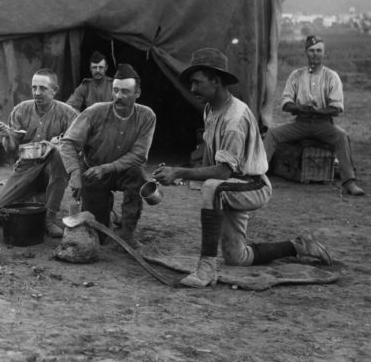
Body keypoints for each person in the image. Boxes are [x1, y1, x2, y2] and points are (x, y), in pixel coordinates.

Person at [154, 48, 333, 288]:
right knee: (236, 258)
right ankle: (299, 245)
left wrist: (179, 173)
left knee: (212, 188)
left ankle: (206, 269)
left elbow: (222, 172)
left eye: (197, 82)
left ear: (216, 81)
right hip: (232, 186)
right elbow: (216, 164)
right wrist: (179, 173)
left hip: (253, 185)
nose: (192, 88)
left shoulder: (235, 118)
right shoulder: (210, 109)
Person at [60, 63, 155, 248]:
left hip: (123, 172)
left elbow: (139, 155)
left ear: (137, 93)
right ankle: (106, 213)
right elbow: (68, 143)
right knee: (99, 238)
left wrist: (107, 168)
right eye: (116, 90)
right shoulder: (95, 111)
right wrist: (75, 174)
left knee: (138, 174)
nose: (119, 96)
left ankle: (127, 233)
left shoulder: (146, 116)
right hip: (93, 173)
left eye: (126, 91)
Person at [263, 35, 363, 196]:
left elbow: (337, 107)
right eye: (311, 51)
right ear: (306, 53)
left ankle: (349, 182)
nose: (315, 54)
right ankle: (259, 176)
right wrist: (301, 108)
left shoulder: (332, 76)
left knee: (342, 136)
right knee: (272, 134)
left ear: (325, 54)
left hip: (323, 124)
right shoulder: (296, 75)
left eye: (319, 51)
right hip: (300, 123)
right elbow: (286, 103)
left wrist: (317, 111)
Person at [0, 69, 78, 237]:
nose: (37, 92)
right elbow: (10, 148)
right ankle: (34, 201)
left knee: (59, 153)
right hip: (25, 168)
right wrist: (7, 135)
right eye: (34, 87)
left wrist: (56, 145)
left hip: (52, 170)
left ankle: (49, 218)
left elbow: (75, 148)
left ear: (55, 90)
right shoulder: (21, 110)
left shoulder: (68, 114)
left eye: (43, 88)